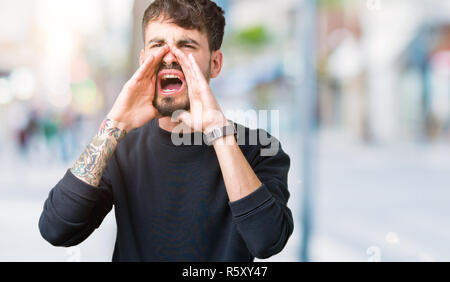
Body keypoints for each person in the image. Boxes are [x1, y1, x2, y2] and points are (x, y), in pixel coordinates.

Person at [39, 0, 293, 262]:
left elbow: (267, 241)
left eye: (186, 45)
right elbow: (56, 229)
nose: (169, 56)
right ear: (142, 59)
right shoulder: (121, 147)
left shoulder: (259, 148)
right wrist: (114, 124)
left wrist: (218, 131)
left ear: (215, 63)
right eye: (157, 45)